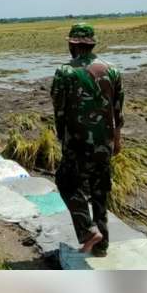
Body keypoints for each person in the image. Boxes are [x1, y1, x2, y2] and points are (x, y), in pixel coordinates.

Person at [50, 23, 124, 257]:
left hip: (77, 143)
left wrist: (62, 137)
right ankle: (101, 246)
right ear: (92, 45)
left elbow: (59, 110)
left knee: (66, 182)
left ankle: (88, 231)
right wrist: (117, 140)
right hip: (104, 143)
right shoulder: (112, 70)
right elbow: (117, 111)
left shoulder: (65, 72)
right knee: (100, 191)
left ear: (72, 45)